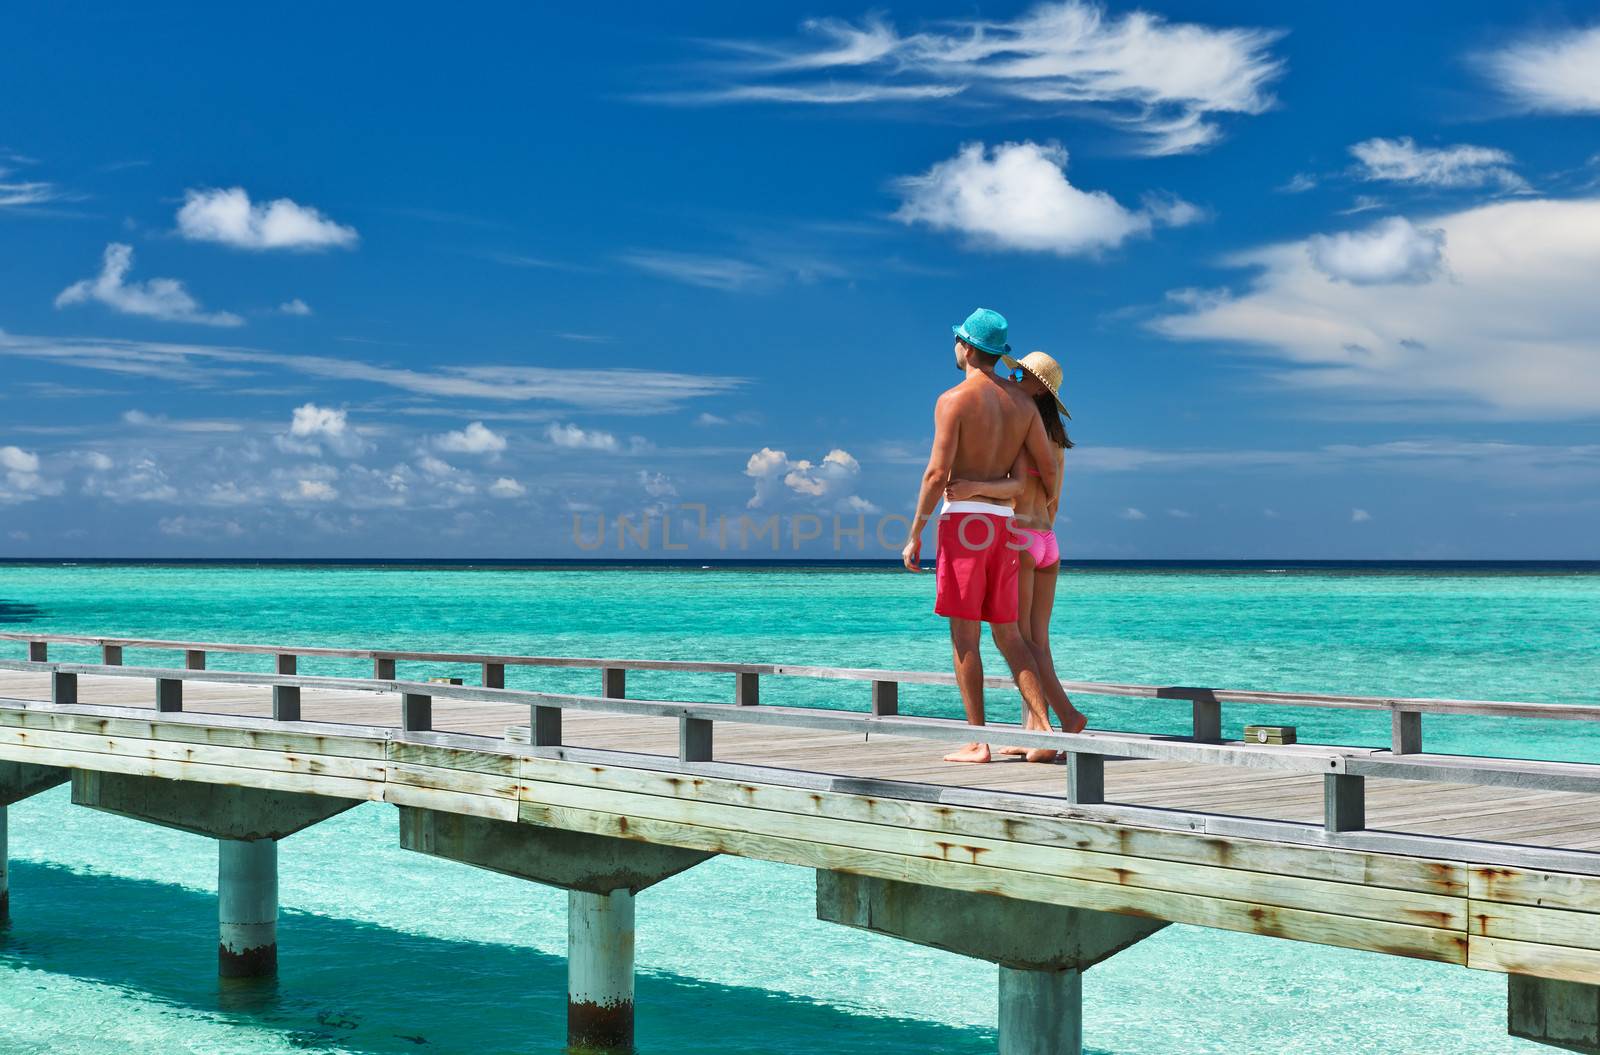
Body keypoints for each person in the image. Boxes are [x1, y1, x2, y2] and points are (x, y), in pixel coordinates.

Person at [901, 308, 1075, 765]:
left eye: (958, 340)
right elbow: (1048, 465)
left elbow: (938, 472)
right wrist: (1050, 508)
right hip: (1004, 527)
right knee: (1010, 636)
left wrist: (915, 532)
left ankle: (978, 741)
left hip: (964, 525)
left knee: (964, 638)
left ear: (969, 348)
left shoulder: (953, 399)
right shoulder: (1021, 405)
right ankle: (1046, 729)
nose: (955, 347)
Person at [945, 350, 1085, 741]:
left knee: (1017, 640)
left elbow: (1014, 488)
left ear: (1041, 390)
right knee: (1038, 642)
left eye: (1023, 378)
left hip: (1021, 538)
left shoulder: (1021, 430)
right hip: (1048, 540)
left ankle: (1062, 720)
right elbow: (1054, 497)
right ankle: (1036, 730)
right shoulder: (1057, 443)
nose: (1015, 381)